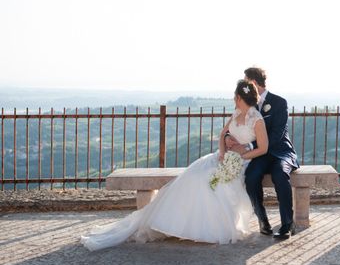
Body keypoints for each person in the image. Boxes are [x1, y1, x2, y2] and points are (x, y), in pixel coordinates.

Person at [80, 80, 267, 251]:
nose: (234, 100)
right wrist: (222, 153)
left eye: (235, 97)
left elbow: (263, 148)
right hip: (223, 158)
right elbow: (222, 135)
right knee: (193, 176)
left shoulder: (256, 119)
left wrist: (242, 156)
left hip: (242, 162)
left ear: (239, 97)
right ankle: (172, 224)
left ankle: (208, 229)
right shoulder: (235, 114)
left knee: (211, 182)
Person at [226, 67, 299, 240]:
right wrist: (229, 137)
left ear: (253, 82)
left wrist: (249, 146)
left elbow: (276, 135)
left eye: (245, 81)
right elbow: (236, 125)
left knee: (280, 175)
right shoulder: (246, 103)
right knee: (251, 177)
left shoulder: (279, 103)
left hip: (280, 152)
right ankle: (263, 220)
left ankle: (287, 224)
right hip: (260, 155)